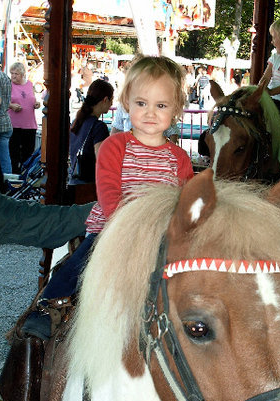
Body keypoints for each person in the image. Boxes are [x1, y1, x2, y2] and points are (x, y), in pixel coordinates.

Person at [22, 55, 193, 341]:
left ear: (176, 109)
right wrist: (128, 226)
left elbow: (186, 200)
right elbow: (109, 192)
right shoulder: (115, 147)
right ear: (126, 102)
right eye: (141, 103)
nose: (150, 113)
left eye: (160, 105)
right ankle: (48, 304)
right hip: (113, 229)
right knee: (85, 259)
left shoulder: (179, 159)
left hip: (161, 235)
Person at [68, 78, 114, 186]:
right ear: (105, 99)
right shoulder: (99, 127)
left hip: (74, 183)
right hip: (89, 187)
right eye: (111, 99)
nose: (111, 103)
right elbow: (102, 161)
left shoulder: (77, 121)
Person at [8, 62, 40, 174]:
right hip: (14, 125)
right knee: (14, 154)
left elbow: (32, 99)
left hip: (30, 125)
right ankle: (14, 176)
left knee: (28, 154)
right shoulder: (9, 85)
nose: (13, 76)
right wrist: (11, 105)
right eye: (11, 73)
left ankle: (25, 177)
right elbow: (1, 101)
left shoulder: (30, 84)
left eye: (16, 73)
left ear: (22, 74)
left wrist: (36, 104)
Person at [110, 102, 180, 144]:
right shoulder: (123, 104)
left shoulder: (158, 102)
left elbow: (173, 132)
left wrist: (171, 154)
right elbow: (116, 129)